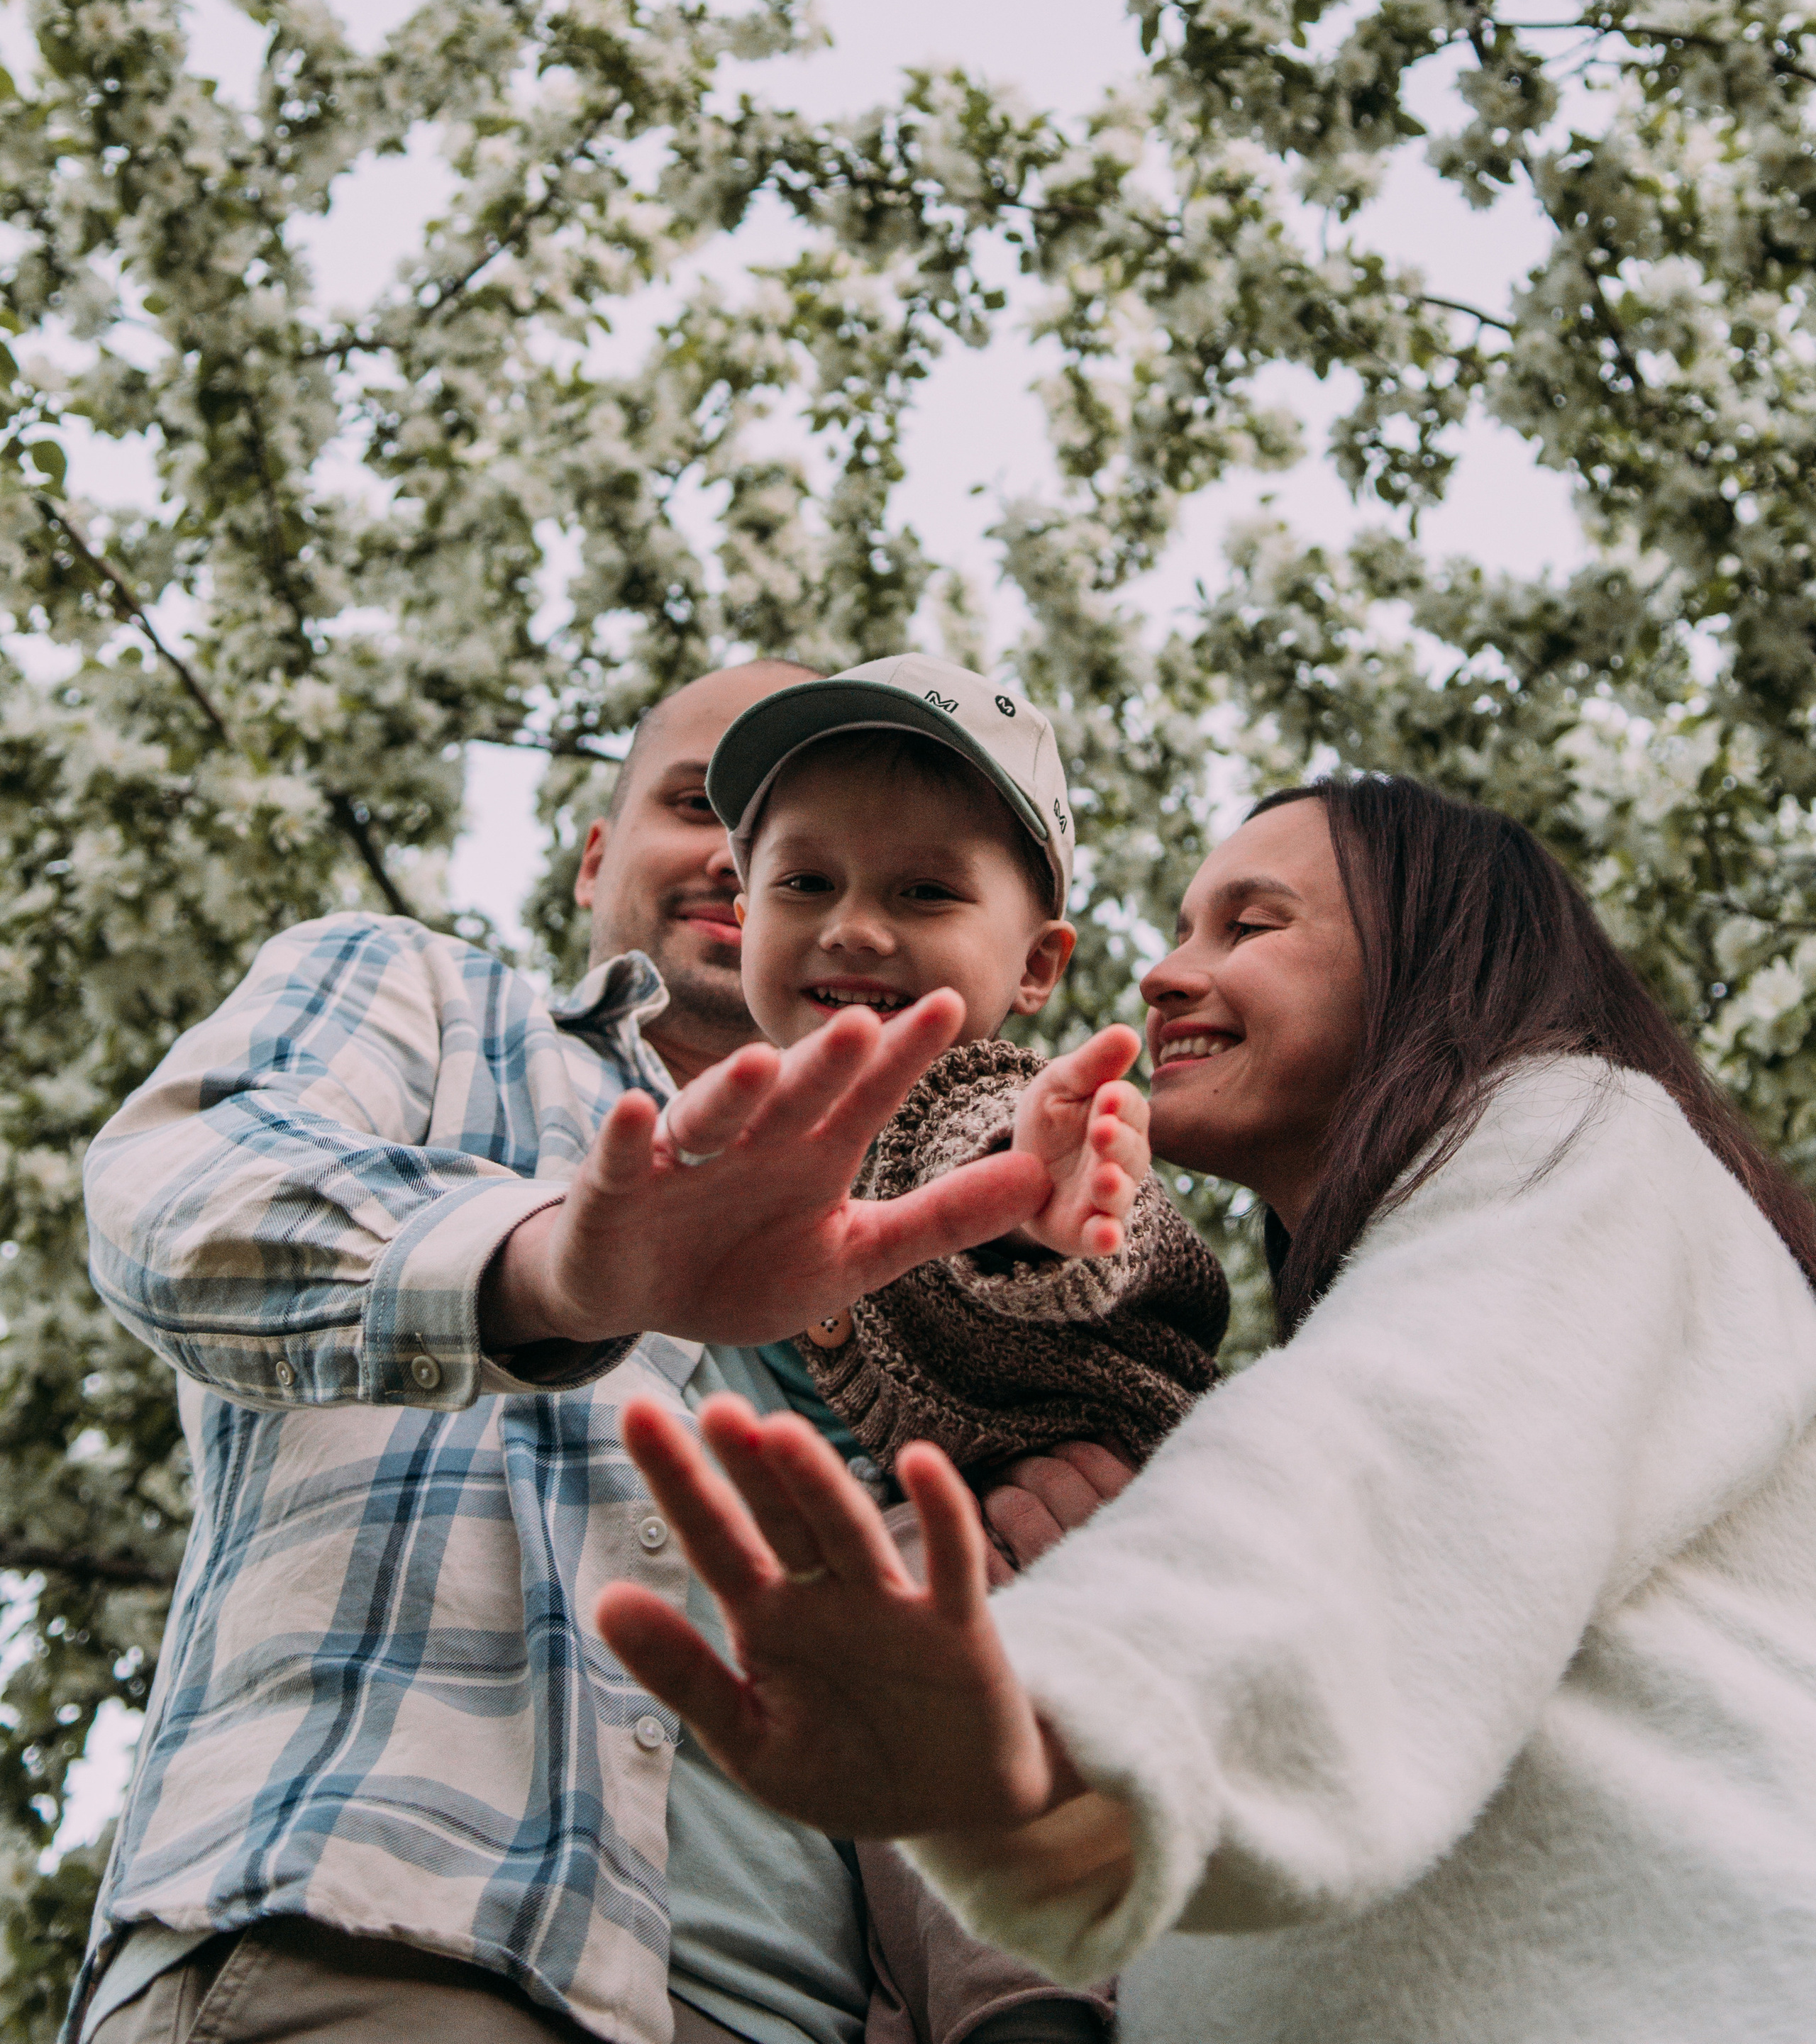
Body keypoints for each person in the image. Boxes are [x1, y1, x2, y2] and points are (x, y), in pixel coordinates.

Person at [599, 774, 1816, 2044]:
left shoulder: (1585, 1134)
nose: (1166, 974)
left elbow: (1396, 1445)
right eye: (1183, 928)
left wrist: (1067, 1686)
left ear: (1435, 950)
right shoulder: (1349, 1324)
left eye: (1250, 924)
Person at [70, 661, 1102, 2044]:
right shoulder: (430, 1002)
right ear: (594, 858)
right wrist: (546, 1270)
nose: (747, 864)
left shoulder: (961, 1233)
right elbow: (183, 1194)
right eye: (707, 812)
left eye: (909, 878)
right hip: (408, 1940)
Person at [708, 655, 1228, 1483]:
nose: (852, 928)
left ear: (1036, 964)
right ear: (745, 920)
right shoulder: (726, 1139)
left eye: (925, 892)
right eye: (805, 882)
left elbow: (996, 1151)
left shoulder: (986, 1099)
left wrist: (1027, 1197)